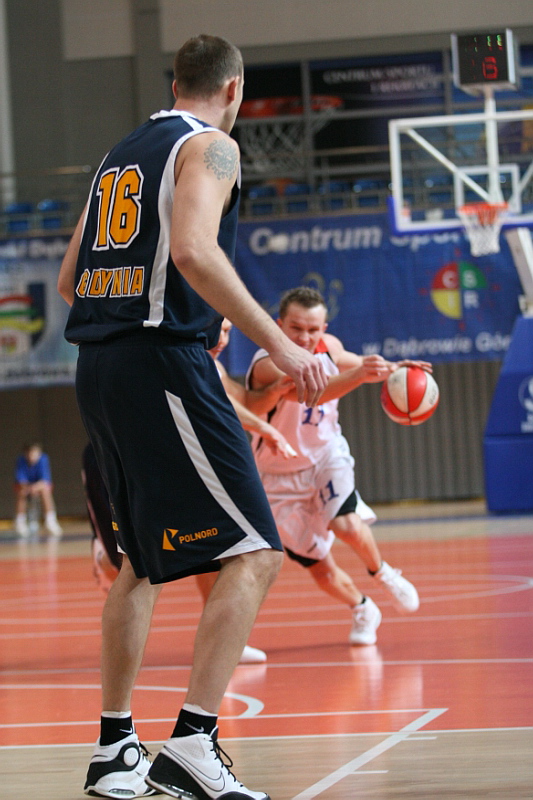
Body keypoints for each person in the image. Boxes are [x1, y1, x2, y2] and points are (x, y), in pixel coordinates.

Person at [58, 34, 326, 800]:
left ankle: (116, 751)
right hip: (159, 366)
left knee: (141, 564)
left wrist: (165, 313)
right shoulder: (211, 146)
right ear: (233, 89)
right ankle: (193, 743)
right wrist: (281, 346)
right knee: (257, 551)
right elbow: (193, 252)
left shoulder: (119, 154)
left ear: (176, 83)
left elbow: (72, 278)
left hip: (98, 366)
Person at [83, 318, 296, 665]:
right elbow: (224, 403)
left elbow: (241, 400)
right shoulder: (170, 354)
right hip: (125, 456)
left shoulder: (211, 365)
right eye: (220, 328)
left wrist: (274, 394)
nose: (224, 337)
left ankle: (224, 637)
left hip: (174, 460)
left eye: (229, 330)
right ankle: (102, 551)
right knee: (129, 567)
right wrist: (263, 427)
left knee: (219, 550)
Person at [247, 286, 432, 646]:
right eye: (296, 328)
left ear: (324, 328)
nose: (305, 337)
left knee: (345, 523)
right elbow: (315, 392)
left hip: (326, 455)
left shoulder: (328, 346)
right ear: (279, 325)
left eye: (313, 329)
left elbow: (355, 362)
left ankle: (383, 573)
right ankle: (363, 607)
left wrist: (393, 369)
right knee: (321, 568)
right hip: (277, 474)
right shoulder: (268, 364)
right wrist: (361, 375)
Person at [13, 442, 63, 537]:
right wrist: (29, 488)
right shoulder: (20, 460)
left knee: (45, 491)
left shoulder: (44, 459)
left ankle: (50, 521)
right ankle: (20, 522)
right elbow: (20, 481)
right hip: (26, 488)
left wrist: (35, 488)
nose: (32, 456)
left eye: (34, 453)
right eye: (30, 453)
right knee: (21, 492)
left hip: (39, 487)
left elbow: (45, 481)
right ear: (25, 453)